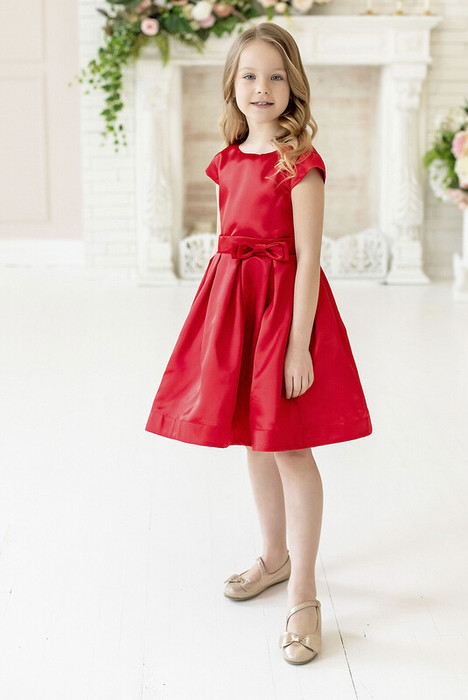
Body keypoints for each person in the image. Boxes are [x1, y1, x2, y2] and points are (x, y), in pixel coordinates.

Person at [145, 21, 373, 665]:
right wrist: (218, 327)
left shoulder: (301, 165)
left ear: (293, 85)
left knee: (290, 447)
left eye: (275, 76)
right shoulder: (226, 161)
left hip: (284, 317)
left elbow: (307, 260)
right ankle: (274, 558)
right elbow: (229, 248)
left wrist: (298, 346)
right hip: (236, 313)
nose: (262, 87)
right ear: (233, 85)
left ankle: (304, 593)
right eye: (249, 75)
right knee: (252, 438)